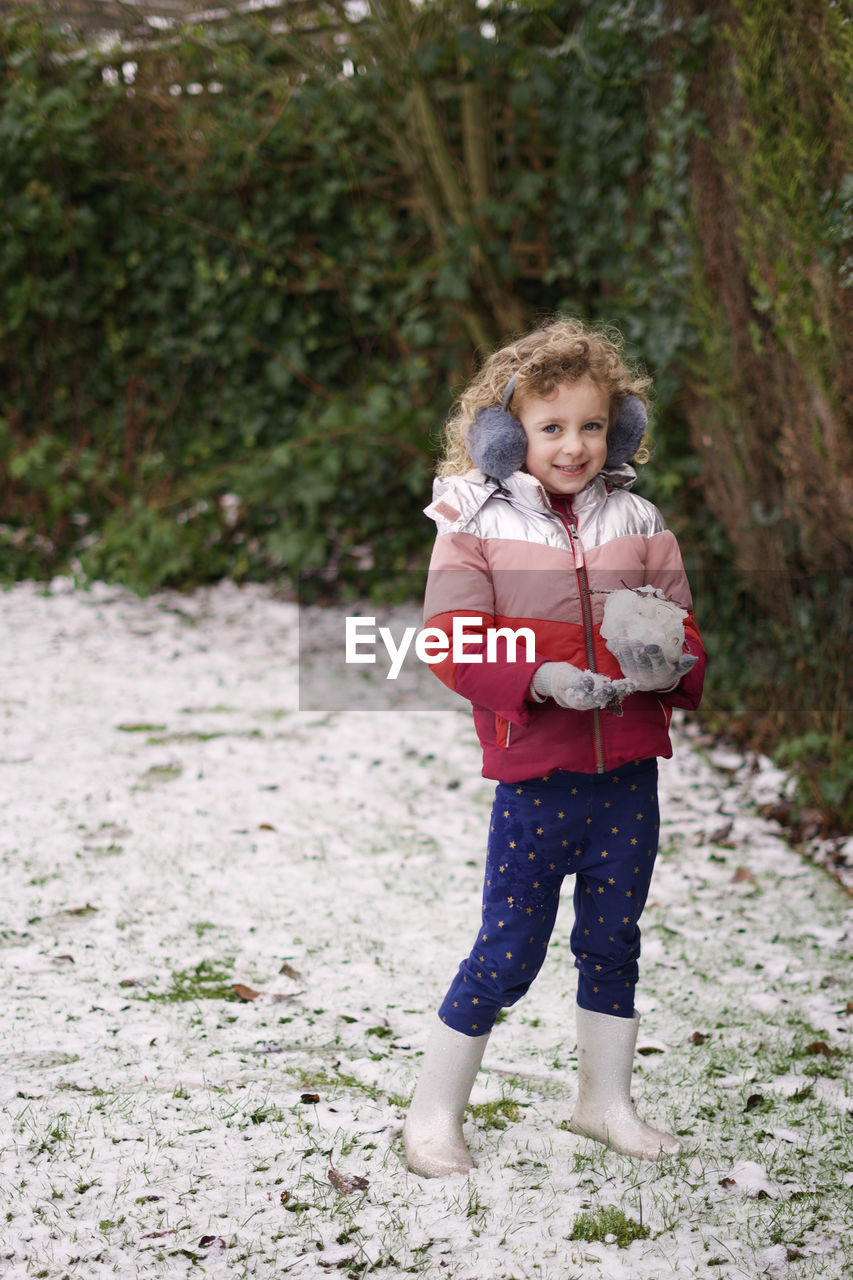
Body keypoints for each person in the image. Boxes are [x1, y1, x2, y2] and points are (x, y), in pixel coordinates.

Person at [402, 317, 706, 1177]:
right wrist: (537, 677)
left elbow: (681, 626)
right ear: (506, 434)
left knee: (613, 943)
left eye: (591, 425)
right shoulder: (474, 524)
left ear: (620, 429)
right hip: (538, 780)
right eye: (550, 427)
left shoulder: (638, 517)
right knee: (507, 954)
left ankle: (603, 1103)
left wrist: (672, 661)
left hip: (627, 779)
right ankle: (431, 1116)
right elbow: (451, 640)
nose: (573, 446)